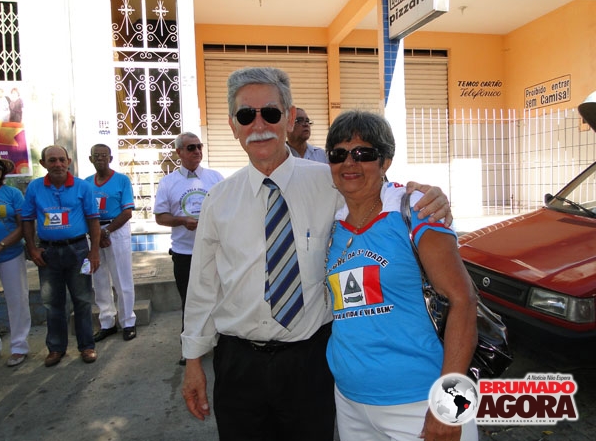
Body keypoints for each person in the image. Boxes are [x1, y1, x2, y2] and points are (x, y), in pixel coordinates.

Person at [180, 66, 452, 441]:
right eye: (246, 115)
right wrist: (193, 361)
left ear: (289, 117)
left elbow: (382, 192)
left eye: (270, 113)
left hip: (310, 363)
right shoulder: (218, 199)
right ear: (232, 125)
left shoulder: (330, 182)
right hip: (238, 364)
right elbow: (203, 287)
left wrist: (429, 196)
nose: (259, 125)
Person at [324, 110, 478, 441]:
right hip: (350, 401)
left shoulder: (414, 210)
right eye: (338, 154)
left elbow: (463, 301)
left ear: (385, 161)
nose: (349, 163)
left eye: (363, 153)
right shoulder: (333, 224)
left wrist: (449, 404)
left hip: (419, 401)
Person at [21, 145, 101, 367]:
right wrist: (32, 248)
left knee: (82, 300)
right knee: (52, 302)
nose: (57, 164)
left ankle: (87, 346)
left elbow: (93, 220)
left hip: (78, 250)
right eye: (52, 160)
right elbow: (27, 220)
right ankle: (56, 348)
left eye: (61, 159)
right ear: (43, 163)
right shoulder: (35, 187)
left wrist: (94, 251)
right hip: (48, 253)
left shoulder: (83, 187)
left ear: (68, 161)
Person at [153, 132, 224, 365]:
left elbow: (226, 209)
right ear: (179, 152)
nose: (197, 151)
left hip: (214, 251)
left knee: (217, 297)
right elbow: (160, 217)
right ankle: (191, 348)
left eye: (199, 146)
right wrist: (182, 221)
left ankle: (220, 342)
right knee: (190, 301)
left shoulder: (215, 178)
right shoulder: (168, 182)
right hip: (184, 253)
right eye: (191, 147)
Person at [86, 144, 137, 342]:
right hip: (93, 231)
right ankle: (107, 322)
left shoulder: (122, 180)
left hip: (116, 230)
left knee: (122, 279)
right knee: (99, 279)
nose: (100, 159)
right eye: (96, 156)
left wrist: (106, 232)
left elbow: (127, 212)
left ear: (111, 158)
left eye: (104, 155)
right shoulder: (86, 183)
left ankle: (128, 321)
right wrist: (96, 234)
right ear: (90, 159)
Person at [0, 153, 31, 367]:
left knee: (17, 299)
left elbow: (23, 225)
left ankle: (19, 347)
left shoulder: (12, 193)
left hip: (11, 254)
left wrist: (1, 245)